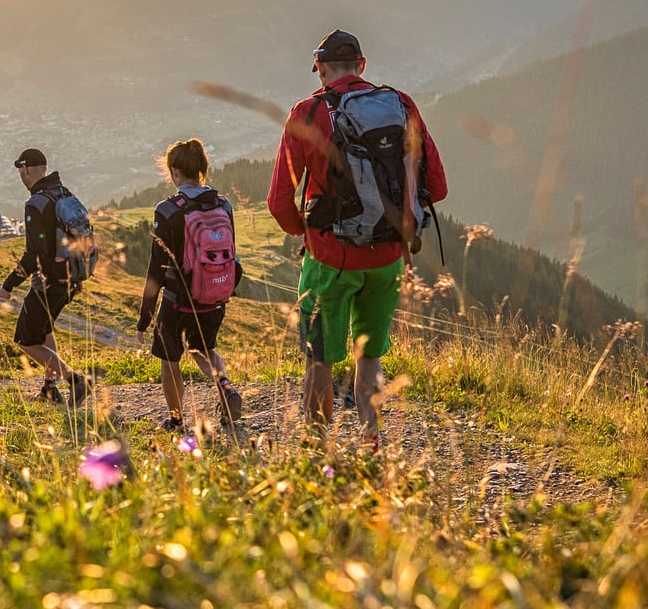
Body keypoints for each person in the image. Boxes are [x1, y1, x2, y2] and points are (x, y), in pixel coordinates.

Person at [266, 29, 447, 445]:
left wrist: (307, 233)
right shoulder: (400, 105)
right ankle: (372, 441)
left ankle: (317, 447)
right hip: (387, 259)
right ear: (362, 66)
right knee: (370, 356)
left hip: (330, 256)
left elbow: (279, 200)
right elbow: (436, 187)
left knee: (320, 358)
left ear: (323, 70)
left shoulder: (307, 113)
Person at [135, 138, 246, 432]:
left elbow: (156, 267)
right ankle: (224, 385)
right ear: (202, 169)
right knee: (204, 348)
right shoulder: (224, 204)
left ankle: (176, 420)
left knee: (171, 361)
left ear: (174, 171)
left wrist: (145, 315)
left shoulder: (169, 210)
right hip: (215, 296)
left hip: (178, 301)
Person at [0, 147, 92, 405]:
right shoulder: (63, 193)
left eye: (21, 170)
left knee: (26, 340)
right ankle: (50, 389)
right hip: (70, 280)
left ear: (26, 169)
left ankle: (75, 379)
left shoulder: (36, 203)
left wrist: (8, 285)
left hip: (47, 283)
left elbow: (34, 255)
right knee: (45, 331)